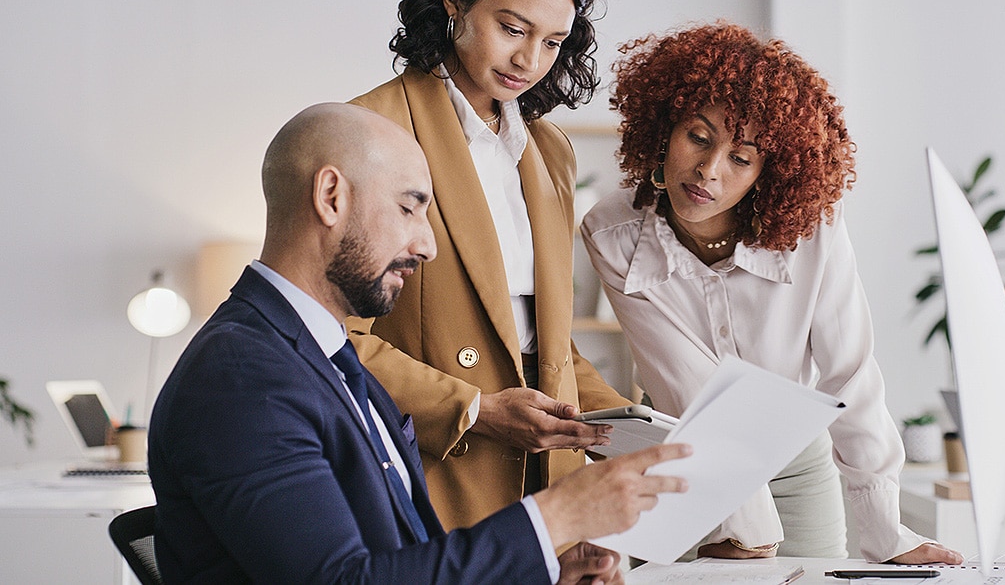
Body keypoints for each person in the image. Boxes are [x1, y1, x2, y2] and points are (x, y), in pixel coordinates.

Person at [148, 103, 690, 584]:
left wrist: (546, 570)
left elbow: (402, 561)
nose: (427, 244)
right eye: (410, 208)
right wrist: (559, 518)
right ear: (331, 197)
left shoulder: (325, 357)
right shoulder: (242, 378)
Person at [580, 24, 964, 565]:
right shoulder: (612, 232)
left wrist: (886, 533)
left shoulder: (814, 230)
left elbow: (849, 374)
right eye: (698, 136)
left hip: (798, 465)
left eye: (741, 158)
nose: (708, 171)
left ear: (768, 172)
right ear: (665, 127)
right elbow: (683, 381)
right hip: (682, 461)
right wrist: (744, 527)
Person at [345, 0, 631, 532]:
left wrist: (636, 426)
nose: (529, 59)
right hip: (433, 470)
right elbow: (332, 338)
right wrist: (474, 408)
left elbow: (541, 343)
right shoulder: (372, 132)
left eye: (553, 42)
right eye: (512, 27)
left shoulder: (549, 152)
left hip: (544, 478)